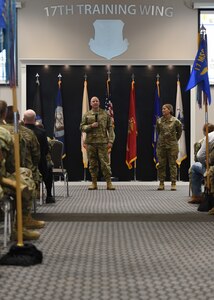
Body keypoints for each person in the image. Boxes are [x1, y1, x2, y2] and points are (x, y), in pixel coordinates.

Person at [80, 96, 115, 190]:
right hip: (90, 143)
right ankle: (94, 182)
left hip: (103, 142)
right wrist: (90, 126)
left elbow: (110, 128)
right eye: (93, 101)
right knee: (92, 163)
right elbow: (82, 127)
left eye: (97, 101)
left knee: (105, 163)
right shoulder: (87, 114)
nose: (95, 102)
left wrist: (111, 141)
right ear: (91, 103)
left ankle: (109, 183)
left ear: (99, 102)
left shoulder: (105, 114)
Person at [23, 109, 55, 203]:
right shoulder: (41, 132)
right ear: (34, 119)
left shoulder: (19, 132)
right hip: (39, 166)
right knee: (48, 168)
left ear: (24, 119)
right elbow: (45, 151)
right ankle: (49, 195)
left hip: (22, 166)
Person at [156, 103, 182, 191]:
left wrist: (174, 140)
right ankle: (161, 183)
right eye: (162, 109)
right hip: (161, 145)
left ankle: (173, 183)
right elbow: (158, 132)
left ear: (170, 110)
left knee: (172, 165)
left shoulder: (175, 121)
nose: (163, 110)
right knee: (161, 165)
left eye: (165, 109)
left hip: (172, 146)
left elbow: (179, 132)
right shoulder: (159, 121)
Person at [188, 123, 214, 204]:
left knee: (194, 167)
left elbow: (199, 156)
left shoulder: (209, 137)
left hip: (211, 167)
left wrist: (206, 163)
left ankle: (197, 196)